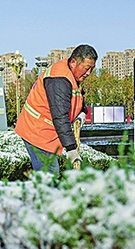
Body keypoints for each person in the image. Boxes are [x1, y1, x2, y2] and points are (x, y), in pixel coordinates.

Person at [15, 44, 98, 172]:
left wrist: (82, 113)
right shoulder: (59, 79)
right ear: (73, 62)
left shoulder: (73, 77)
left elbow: (78, 100)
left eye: (92, 69)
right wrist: (72, 150)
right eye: (86, 68)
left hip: (47, 133)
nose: (88, 73)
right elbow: (60, 116)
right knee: (49, 175)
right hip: (37, 131)